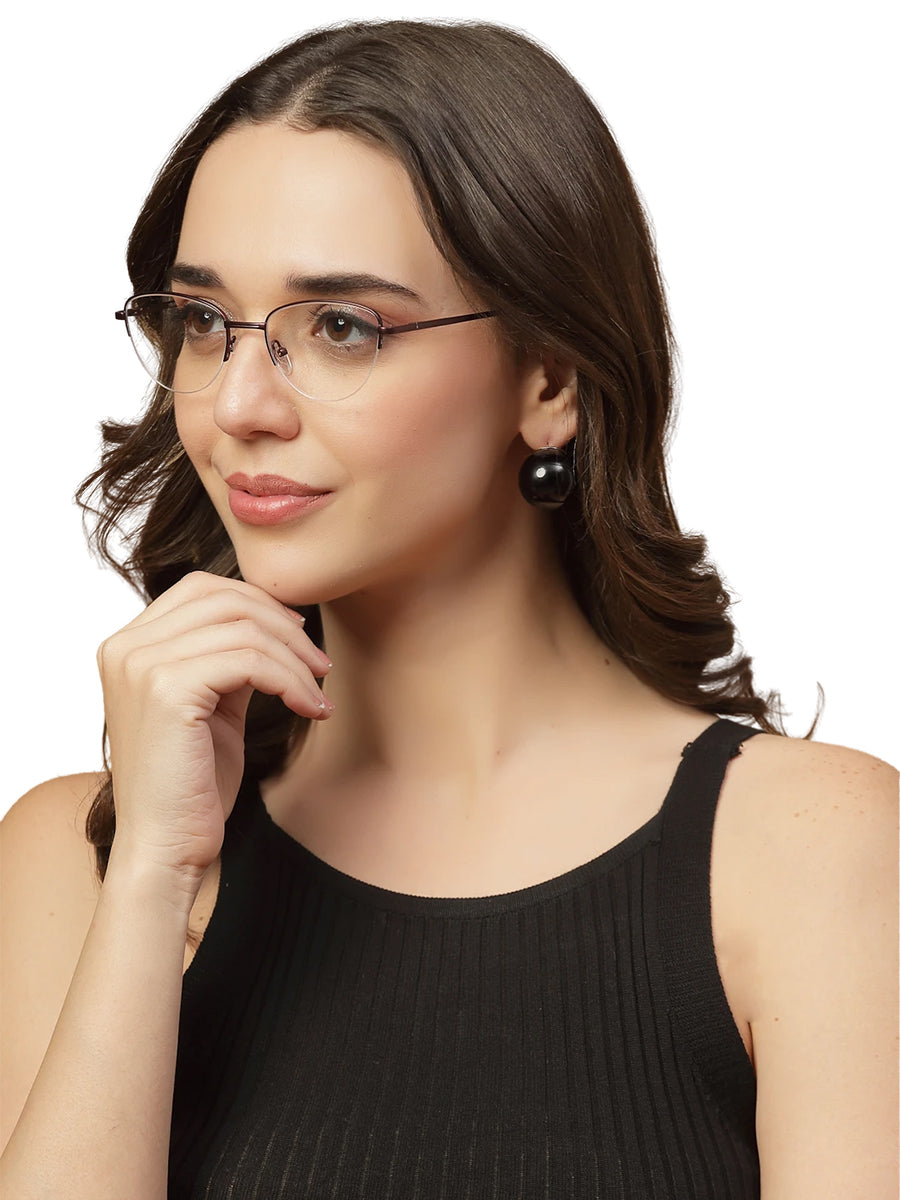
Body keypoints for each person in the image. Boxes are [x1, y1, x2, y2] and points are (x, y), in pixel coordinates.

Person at [0, 18, 896, 1199]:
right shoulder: (79, 859)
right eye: (205, 323)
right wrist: (153, 880)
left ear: (550, 380)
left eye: (341, 328)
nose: (239, 405)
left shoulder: (812, 850)